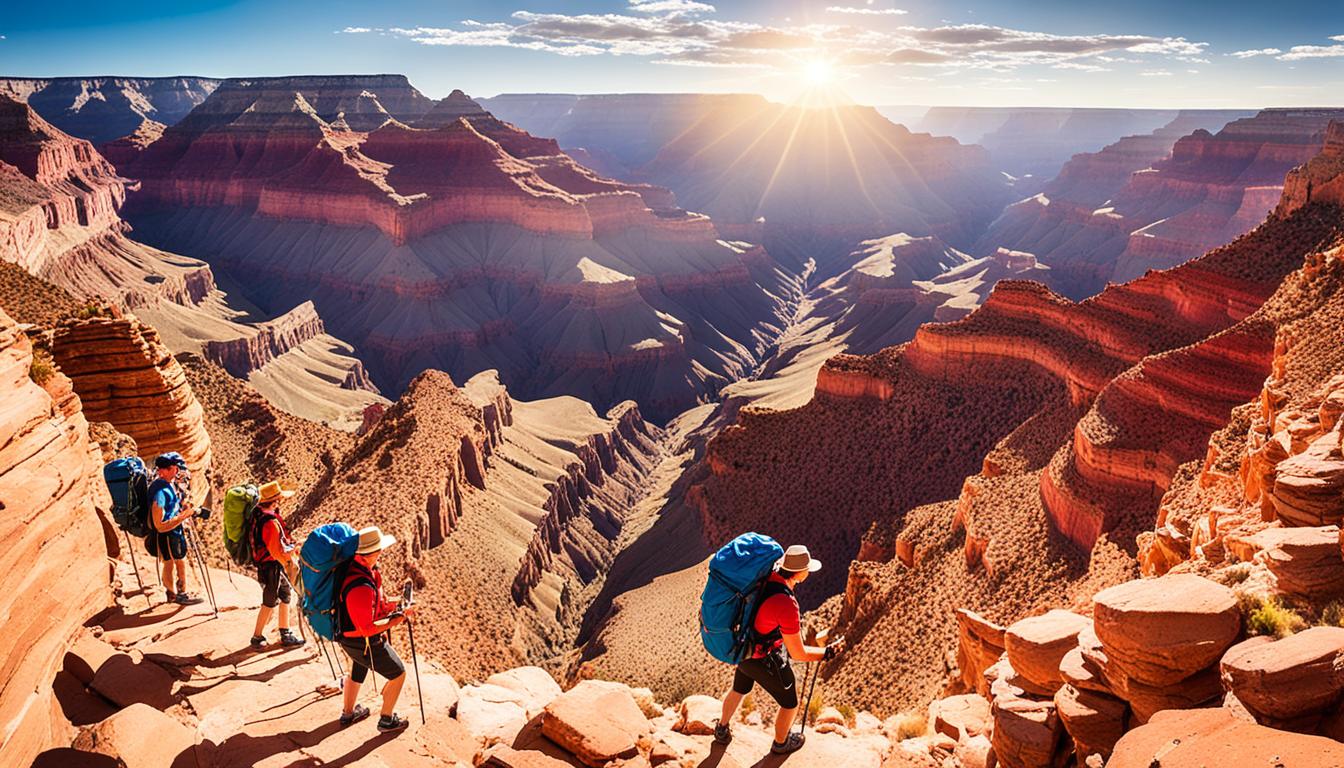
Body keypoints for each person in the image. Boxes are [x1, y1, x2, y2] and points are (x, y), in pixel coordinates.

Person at [715, 545, 844, 755]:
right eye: (807, 570)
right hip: (761, 656)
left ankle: (721, 729)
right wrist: (826, 653)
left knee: (739, 688)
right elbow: (798, 653)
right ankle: (781, 744)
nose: (808, 573)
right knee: (790, 703)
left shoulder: (769, 576)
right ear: (800, 574)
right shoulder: (786, 603)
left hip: (743, 648)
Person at [336, 526, 416, 733]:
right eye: (378, 549)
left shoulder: (362, 572)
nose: (382, 552)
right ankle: (387, 720)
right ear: (367, 555)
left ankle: (348, 713)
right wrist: (398, 618)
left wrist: (396, 605)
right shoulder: (360, 585)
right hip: (361, 641)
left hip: (351, 639)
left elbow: (375, 606)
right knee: (398, 674)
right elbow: (366, 628)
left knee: (357, 670)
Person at [249, 481, 304, 650]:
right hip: (270, 566)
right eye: (278, 500)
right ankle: (257, 637)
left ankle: (285, 631)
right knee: (270, 600)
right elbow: (275, 550)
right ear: (273, 502)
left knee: (285, 594)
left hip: (270, 565)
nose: (280, 503)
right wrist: (291, 558)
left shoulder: (258, 515)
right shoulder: (270, 523)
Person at [148, 452, 205, 606]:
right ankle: (180, 594)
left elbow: (171, 507)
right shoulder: (160, 492)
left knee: (174, 561)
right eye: (173, 468)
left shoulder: (167, 484)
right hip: (167, 534)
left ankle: (173, 593)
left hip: (174, 531)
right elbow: (159, 525)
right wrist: (183, 517)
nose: (177, 471)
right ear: (162, 470)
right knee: (173, 561)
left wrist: (182, 508)